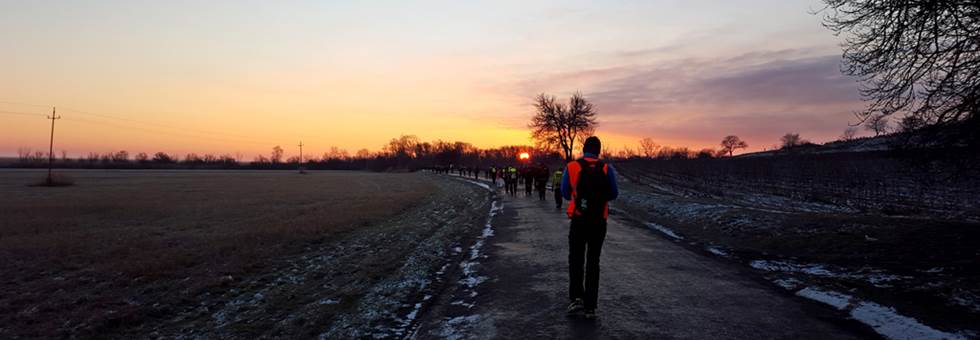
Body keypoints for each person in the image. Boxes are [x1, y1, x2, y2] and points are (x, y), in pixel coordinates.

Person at [560, 136, 618, 319]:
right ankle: (590, 306)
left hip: (579, 220)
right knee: (593, 261)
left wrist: (580, 198)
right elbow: (614, 194)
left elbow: (565, 193)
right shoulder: (606, 168)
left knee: (576, 259)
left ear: (584, 149)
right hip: (599, 221)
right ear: (599, 150)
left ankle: (576, 298)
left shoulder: (572, 166)